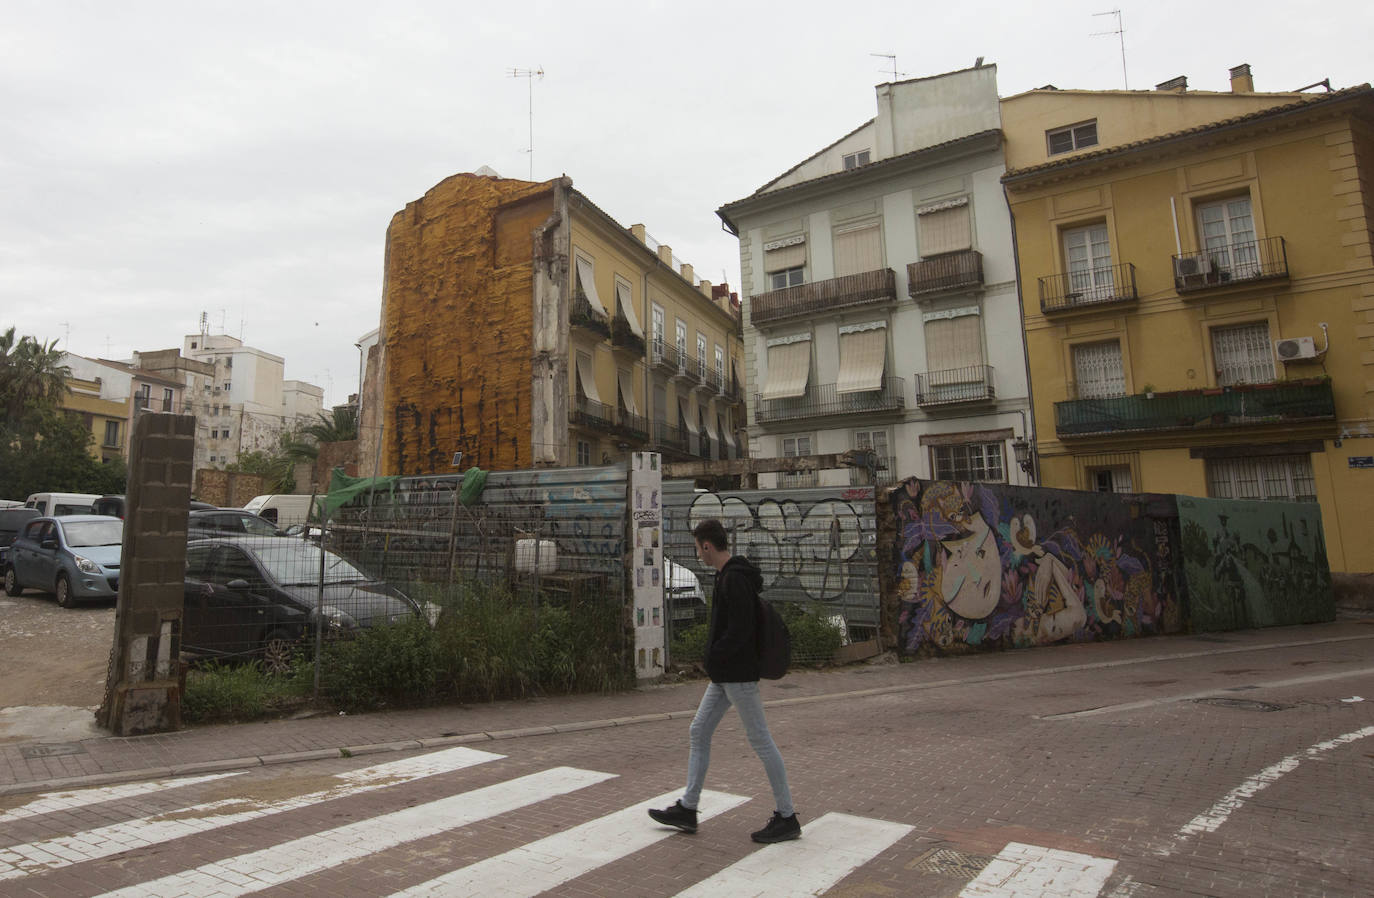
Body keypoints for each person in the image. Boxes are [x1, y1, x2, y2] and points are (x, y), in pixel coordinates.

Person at [648, 518, 801, 844]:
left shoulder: (733, 580)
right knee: (698, 730)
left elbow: (740, 631)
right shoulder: (727, 576)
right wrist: (717, 660)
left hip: (738, 676)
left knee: (761, 741)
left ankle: (787, 816)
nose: (697, 554)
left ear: (706, 546)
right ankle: (688, 808)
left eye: (697, 548)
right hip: (726, 675)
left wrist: (715, 656)